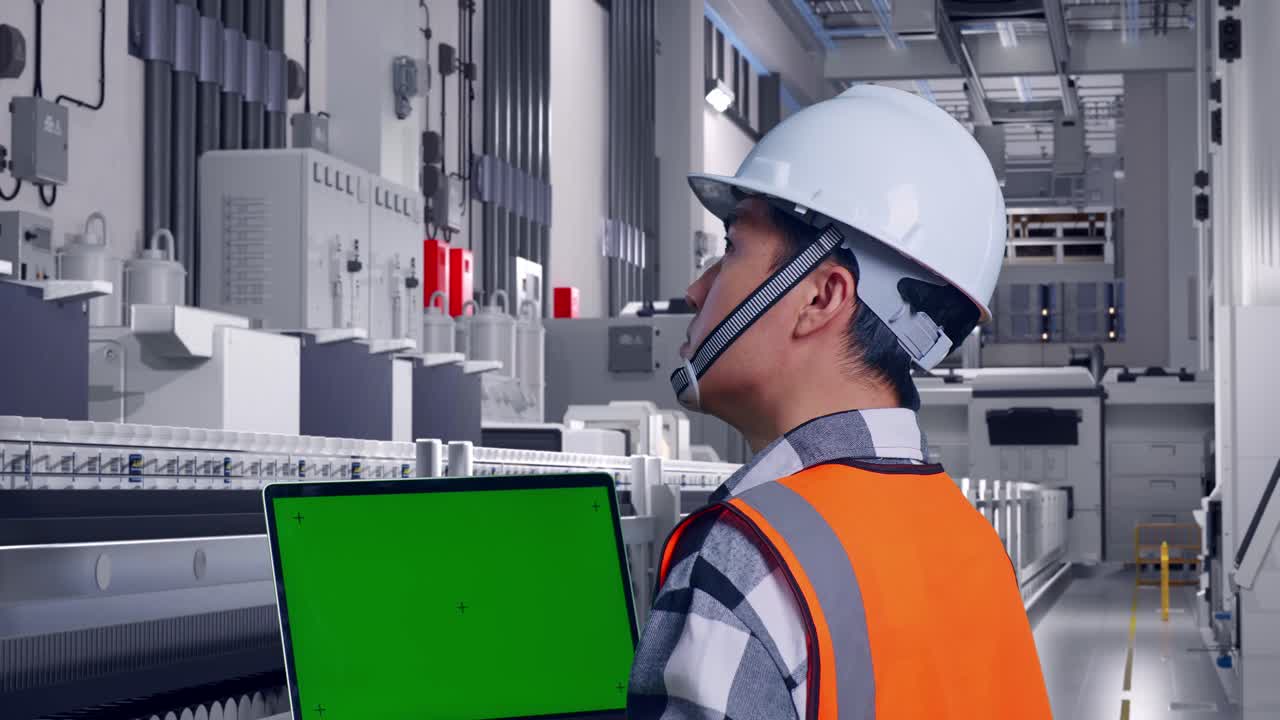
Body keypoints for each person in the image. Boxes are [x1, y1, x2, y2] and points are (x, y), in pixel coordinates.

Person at [626, 85, 1053, 719]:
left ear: (821, 296)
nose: (696, 290)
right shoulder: (975, 544)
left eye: (731, 250)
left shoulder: (748, 558)